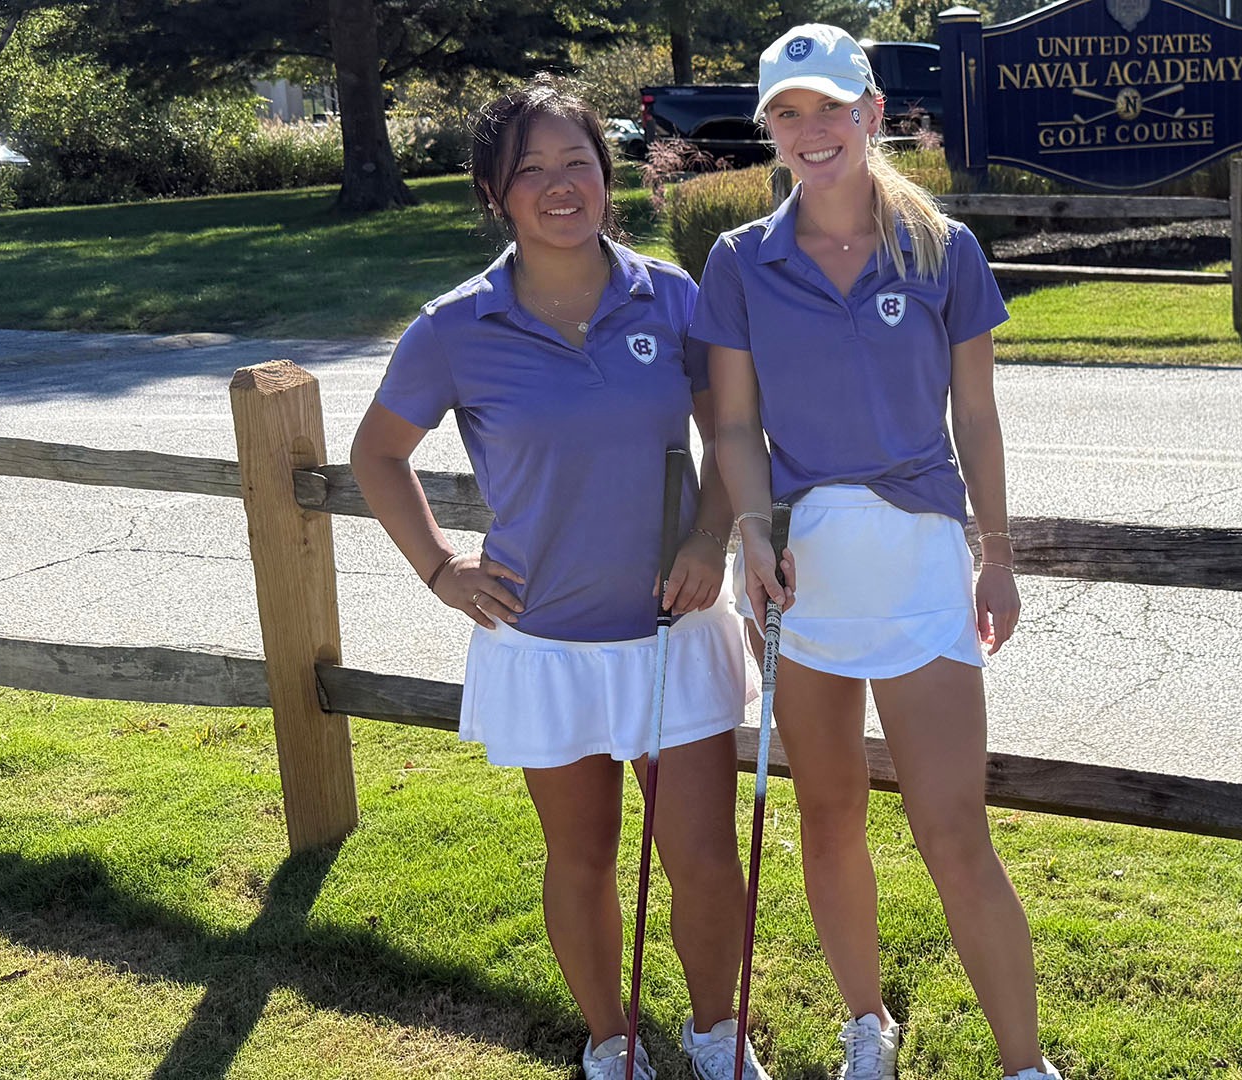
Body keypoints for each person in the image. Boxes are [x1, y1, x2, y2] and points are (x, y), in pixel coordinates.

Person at [348, 76, 770, 1080]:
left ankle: (717, 1033)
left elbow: (732, 436)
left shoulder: (672, 296)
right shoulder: (455, 326)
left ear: (606, 173)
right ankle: (612, 1040)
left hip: (675, 634)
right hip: (543, 642)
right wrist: (440, 569)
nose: (558, 185)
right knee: (580, 860)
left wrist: (711, 538)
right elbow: (377, 455)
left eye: (575, 161)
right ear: (495, 196)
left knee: (705, 860)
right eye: (528, 170)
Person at [692, 24, 1060, 1080]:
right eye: (788, 113)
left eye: (830, 108)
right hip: (803, 575)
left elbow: (977, 419)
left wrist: (997, 553)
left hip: (918, 565)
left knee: (953, 829)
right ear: (770, 130)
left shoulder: (943, 246)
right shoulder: (738, 263)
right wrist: (751, 537)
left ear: (873, 113)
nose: (812, 131)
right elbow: (730, 427)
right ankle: (867, 1025)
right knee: (830, 809)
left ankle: (1024, 1064)